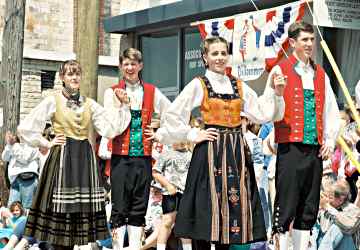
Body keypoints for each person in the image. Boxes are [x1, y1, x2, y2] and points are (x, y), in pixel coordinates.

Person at [148, 36, 286, 249]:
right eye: (215, 53)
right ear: (205, 57)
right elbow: (173, 115)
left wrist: (276, 93)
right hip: (210, 151)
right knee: (206, 208)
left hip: (235, 153)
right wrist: (194, 134)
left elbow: (261, 114)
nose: (220, 58)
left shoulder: (239, 85)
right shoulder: (199, 84)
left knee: (231, 213)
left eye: (223, 53)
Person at [17, 60, 131, 250]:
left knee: (79, 219)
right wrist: (47, 142)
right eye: (70, 74)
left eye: (77, 73)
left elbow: (110, 129)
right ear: (62, 77)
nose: (74, 77)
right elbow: (26, 128)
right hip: (62, 157)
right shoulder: (53, 100)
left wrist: (123, 107)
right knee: (60, 217)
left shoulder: (89, 104)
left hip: (84, 159)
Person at [269, 21, 341, 250]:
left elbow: (330, 109)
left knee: (308, 206)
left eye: (312, 39)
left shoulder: (321, 74)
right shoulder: (280, 69)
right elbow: (269, 107)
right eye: (305, 40)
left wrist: (329, 140)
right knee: (286, 204)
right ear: (292, 43)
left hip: (314, 149)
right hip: (290, 147)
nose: (310, 44)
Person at [99, 48, 170, 250]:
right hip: (120, 157)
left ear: (141, 66)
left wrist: (159, 134)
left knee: (140, 207)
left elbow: (171, 113)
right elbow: (111, 127)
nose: (130, 68)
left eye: (134, 63)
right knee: (119, 207)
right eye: (126, 64)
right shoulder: (111, 91)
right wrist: (123, 106)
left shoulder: (151, 91)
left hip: (144, 157)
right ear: (121, 66)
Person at [152, 142, 192, 250]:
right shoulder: (166, 153)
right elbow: (155, 172)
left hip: (187, 193)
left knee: (185, 224)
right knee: (167, 222)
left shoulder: (191, 154)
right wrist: (168, 185)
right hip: (170, 193)